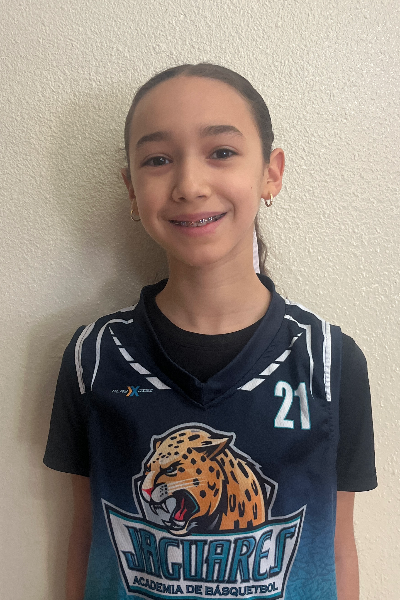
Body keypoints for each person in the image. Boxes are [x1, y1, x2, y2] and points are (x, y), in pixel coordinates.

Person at [44, 63, 377, 600]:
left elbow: (338, 550)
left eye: (221, 152)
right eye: (158, 159)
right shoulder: (94, 356)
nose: (190, 185)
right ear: (132, 189)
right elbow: (86, 540)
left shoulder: (330, 361)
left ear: (271, 173)